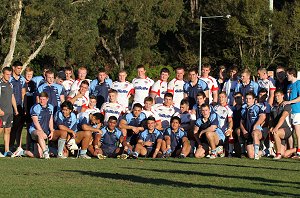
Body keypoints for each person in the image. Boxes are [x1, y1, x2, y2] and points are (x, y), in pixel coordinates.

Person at [240, 92, 266, 160]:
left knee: (254, 133)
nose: (248, 100)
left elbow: (263, 116)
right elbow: (241, 122)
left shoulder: (256, 108)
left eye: (250, 98)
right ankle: (264, 152)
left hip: (257, 131)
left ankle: (256, 154)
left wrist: (256, 125)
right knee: (250, 155)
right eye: (247, 98)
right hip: (248, 132)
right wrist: (243, 130)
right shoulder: (243, 109)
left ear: (254, 99)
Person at [28, 92, 54, 159]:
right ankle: (46, 152)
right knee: (39, 133)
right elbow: (35, 122)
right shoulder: (35, 107)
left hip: (44, 132)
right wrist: (42, 132)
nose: (42, 101)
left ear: (47, 99)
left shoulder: (51, 107)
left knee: (38, 155)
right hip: (35, 131)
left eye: (44, 99)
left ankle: (22, 152)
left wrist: (51, 130)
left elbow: (50, 119)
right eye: (41, 99)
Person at [0, 67, 18, 157]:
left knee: (8, 130)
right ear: (3, 74)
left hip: (9, 112)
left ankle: (7, 150)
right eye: (7, 74)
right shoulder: (0, 84)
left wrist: (15, 109)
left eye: (10, 74)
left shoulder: (10, 84)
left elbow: (12, 97)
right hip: (1, 112)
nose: (8, 76)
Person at [270, 90, 293, 159]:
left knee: (276, 133)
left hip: (286, 129)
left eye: (278, 96)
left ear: (282, 96)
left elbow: (283, 117)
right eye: (275, 96)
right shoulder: (273, 107)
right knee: (284, 154)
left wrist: (276, 128)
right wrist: (271, 127)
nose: (277, 98)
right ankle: (295, 149)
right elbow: (271, 119)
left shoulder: (286, 105)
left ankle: (278, 154)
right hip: (278, 129)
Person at [9, 61, 26, 153]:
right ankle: (9, 146)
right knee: (9, 127)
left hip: (19, 106)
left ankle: (15, 146)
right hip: (9, 105)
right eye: (18, 68)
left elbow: (23, 93)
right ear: (13, 68)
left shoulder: (22, 79)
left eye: (20, 68)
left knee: (17, 127)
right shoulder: (9, 78)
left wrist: (24, 107)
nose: (19, 70)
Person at [283, 68, 300, 156]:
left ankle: (298, 151)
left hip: (297, 111)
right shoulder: (289, 86)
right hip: (289, 111)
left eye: (287, 75)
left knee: (298, 132)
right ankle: (291, 149)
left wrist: (289, 102)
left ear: (292, 74)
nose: (286, 77)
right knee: (290, 132)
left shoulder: (298, 83)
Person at [214, 92, 234, 157]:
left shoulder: (229, 109)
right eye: (219, 97)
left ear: (226, 98)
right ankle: (217, 150)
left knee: (230, 132)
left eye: (222, 97)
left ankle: (230, 152)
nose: (221, 99)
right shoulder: (215, 108)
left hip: (224, 130)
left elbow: (230, 120)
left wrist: (229, 128)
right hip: (216, 129)